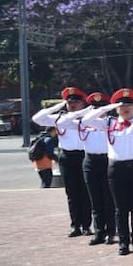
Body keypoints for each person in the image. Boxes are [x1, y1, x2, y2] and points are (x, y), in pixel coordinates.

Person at [82, 89, 133, 255]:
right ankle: (124, 243)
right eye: (122, 105)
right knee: (120, 208)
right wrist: (109, 106)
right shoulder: (109, 124)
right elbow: (86, 120)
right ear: (116, 108)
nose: (126, 109)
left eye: (129, 105)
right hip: (116, 168)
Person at [31, 87, 93, 237]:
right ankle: (75, 225)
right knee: (71, 193)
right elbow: (37, 118)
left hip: (84, 156)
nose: (72, 104)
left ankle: (86, 225)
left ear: (83, 103)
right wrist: (58, 106)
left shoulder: (88, 118)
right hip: (67, 157)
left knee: (85, 193)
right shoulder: (60, 119)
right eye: (69, 102)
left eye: (76, 102)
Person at [61, 91, 116, 246]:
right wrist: (83, 112)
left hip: (107, 161)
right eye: (95, 108)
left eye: (101, 108)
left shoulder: (112, 123)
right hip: (90, 161)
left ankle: (111, 231)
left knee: (108, 199)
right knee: (95, 200)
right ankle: (99, 232)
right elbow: (62, 123)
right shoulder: (84, 124)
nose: (98, 111)